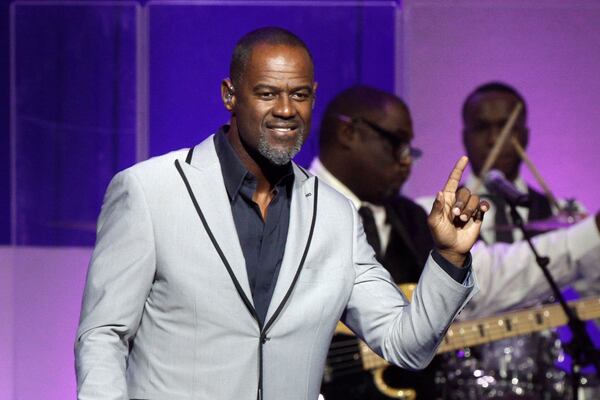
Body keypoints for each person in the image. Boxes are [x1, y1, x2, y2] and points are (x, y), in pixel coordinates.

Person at [75, 28, 489, 400]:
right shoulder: (149, 191)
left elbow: (407, 345)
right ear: (230, 95)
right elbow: (103, 335)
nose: (286, 110)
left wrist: (450, 258)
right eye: (268, 93)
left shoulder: (335, 216)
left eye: (300, 95)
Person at [311, 85, 600, 399]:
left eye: (411, 149)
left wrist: (591, 232)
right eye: (398, 143)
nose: (407, 161)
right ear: (349, 133)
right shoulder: (292, 206)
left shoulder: (417, 218)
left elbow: (493, 277)